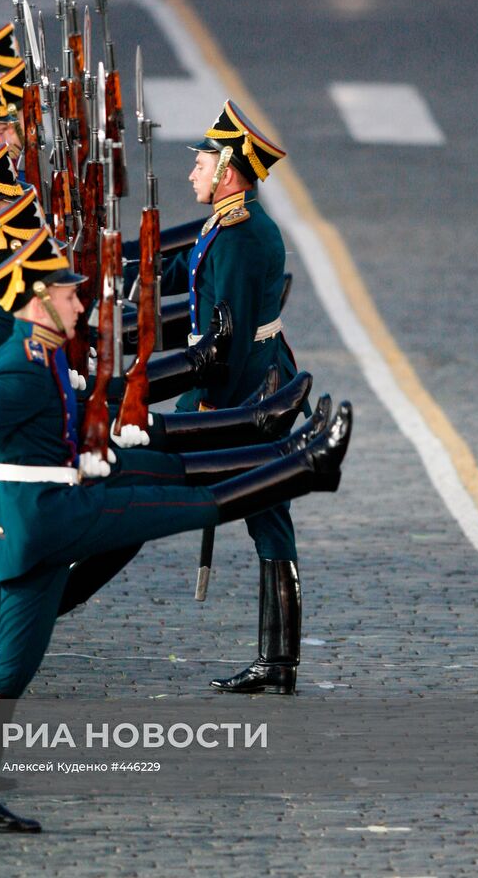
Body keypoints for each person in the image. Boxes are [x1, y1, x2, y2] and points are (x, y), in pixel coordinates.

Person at [0, 227, 352, 832]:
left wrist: (94, 445)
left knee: (12, 669)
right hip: (50, 517)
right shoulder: (20, 365)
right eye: (67, 293)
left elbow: (58, 423)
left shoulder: (42, 351)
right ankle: (304, 467)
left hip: (42, 522)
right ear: (37, 300)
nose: (79, 302)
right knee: (187, 504)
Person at [141, 99, 308, 695]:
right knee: (268, 514)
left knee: (253, 507)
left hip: (240, 391)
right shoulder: (225, 223)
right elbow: (189, 279)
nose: (192, 173)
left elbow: (228, 342)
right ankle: (279, 660)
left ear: (228, 173)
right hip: (240, 386)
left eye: (201, 164)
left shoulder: (240, 235)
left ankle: (279, 660)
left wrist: (211, 410)